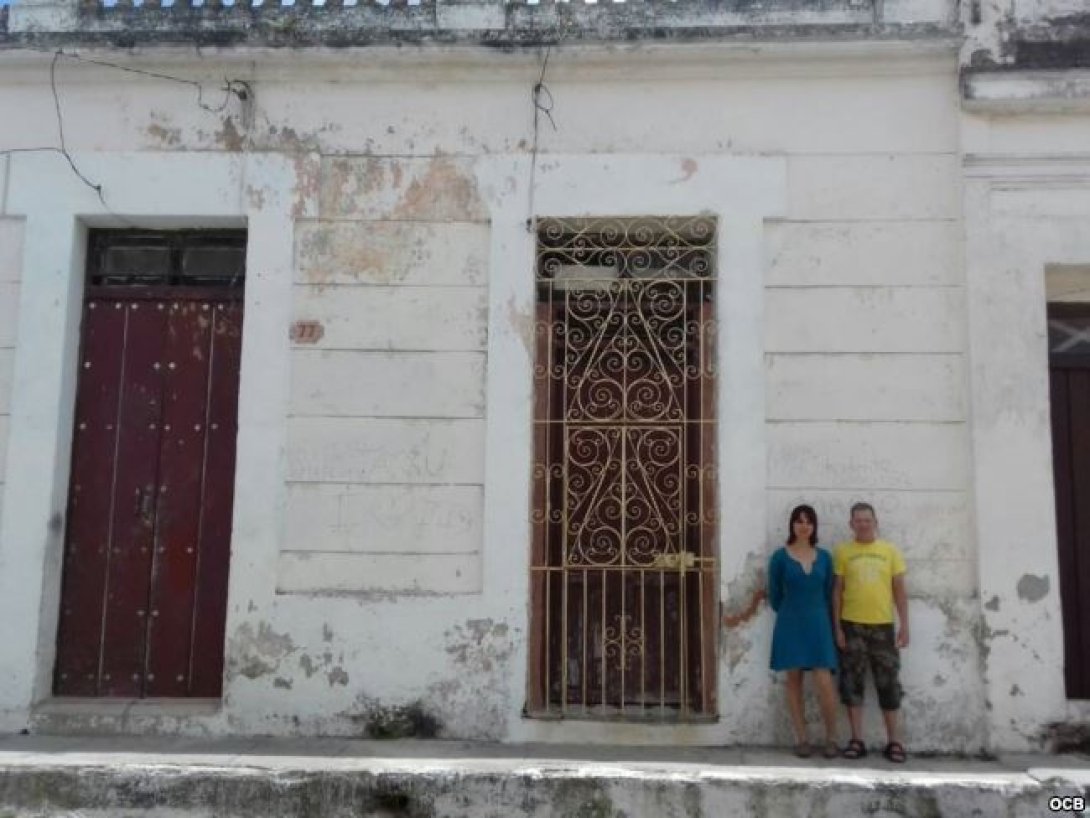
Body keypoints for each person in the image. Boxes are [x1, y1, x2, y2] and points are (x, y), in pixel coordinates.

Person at [832, 502, 909, 763]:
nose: (863, 524)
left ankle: (894, 742)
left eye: (868, 520)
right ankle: (857, 740)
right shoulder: (843, 552)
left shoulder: (890, 552)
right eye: (858, 520)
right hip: (851, 625)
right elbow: (837, 592)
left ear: (876, 522)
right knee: (852, 683)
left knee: (888, 683)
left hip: (883, 627)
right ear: (851, 524)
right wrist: (837, 628)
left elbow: (899, 589)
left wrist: (904, 625)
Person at [767, 504, 839, 759]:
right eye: (799, 521)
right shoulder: (779, 557)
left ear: (814, 526)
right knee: (793, 680)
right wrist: (790, 611)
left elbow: (830, 592)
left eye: (808, 521)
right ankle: (802, 738)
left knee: (824, 681)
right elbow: (774, 594)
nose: (804, 525)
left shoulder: (825, 557)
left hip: (819, 623)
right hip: (790, 623)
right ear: (792, 525)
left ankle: (831, 738)